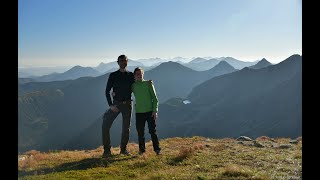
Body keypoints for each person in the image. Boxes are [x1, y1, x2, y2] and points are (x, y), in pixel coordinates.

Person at [102, 54, 135, 157]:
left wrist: (148, 83)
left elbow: (138, 85)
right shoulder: (113, 75)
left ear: (127, 62)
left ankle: (123, 150)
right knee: (105, 125)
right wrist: (111, 105)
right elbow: (107, 91)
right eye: (121, 61)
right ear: (118, 62)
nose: (123, 62)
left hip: (128, 104)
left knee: (126, 128)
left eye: (125, 61)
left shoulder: (131, 75)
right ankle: (107, 151)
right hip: (116, 104)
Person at [132, 67, 161, 155]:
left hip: (149, 112)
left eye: (141, 74)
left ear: (143, 74)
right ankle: (142, 150)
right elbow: (124, 92)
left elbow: (155, 99)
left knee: (152, 131)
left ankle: (157, 150)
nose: (139, 75)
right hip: (139, 112)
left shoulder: (148, 84)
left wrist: (155, 110)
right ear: (134, 75)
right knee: (140, 132)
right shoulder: (133, 86)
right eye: (137, 74)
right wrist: (114, 93)